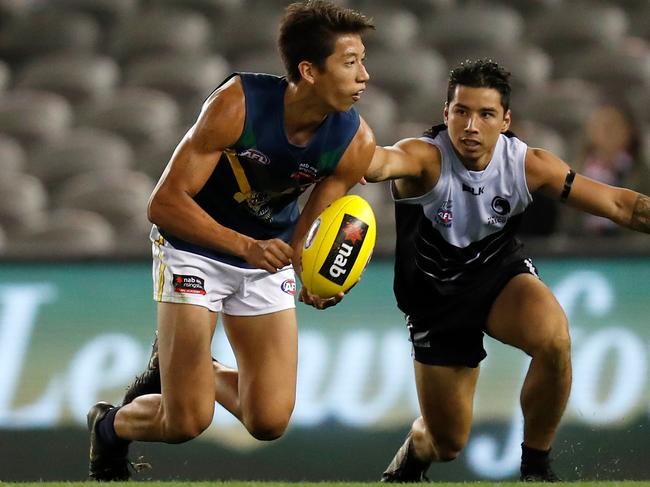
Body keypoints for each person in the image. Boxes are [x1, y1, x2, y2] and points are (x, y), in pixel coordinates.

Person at [87, 1, 376, 480]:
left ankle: (194, 361)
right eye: (350, 62)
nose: (364, 74)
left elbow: (315, 222)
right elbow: (164, 204)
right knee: (186, 421)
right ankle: (109, 427)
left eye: (363, 60)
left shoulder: (355, 142)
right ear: (308, 70)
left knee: (268, 421)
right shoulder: (239, 104)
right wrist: (245, 247)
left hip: (264, 257)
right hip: (193, 247)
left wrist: (314, 275)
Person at [364, 59, 650, 482]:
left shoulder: (528, 165)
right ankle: (417, 446)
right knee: (447, 443)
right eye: (461, 111)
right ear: (445, 115)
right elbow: (377, 164)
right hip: (435, 303)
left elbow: (619, 205)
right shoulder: (423, 158)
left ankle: (535, 465)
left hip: (498, 276)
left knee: (554, 339)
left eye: (486, 114)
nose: (471, 126)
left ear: (506, 119)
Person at [576, 102, 649, 235]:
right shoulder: (575, 171)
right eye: (601, 125)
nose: (607, 132)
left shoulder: (643, 175)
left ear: (629, 131)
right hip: (582, 247)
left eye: (613, 126)